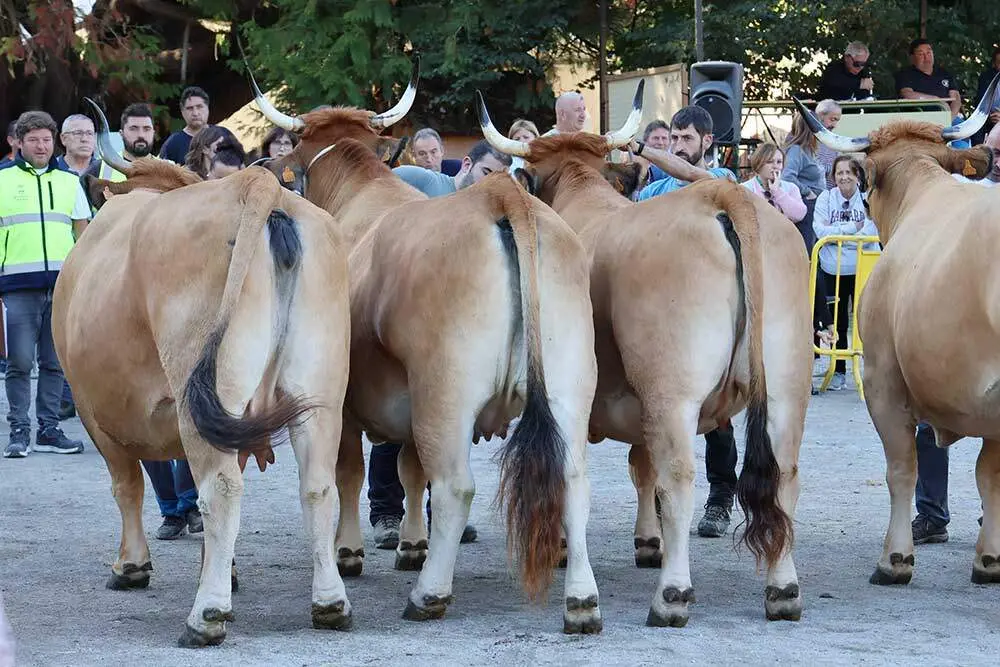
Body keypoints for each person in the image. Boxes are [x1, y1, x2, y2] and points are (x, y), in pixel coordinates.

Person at [365, 140, 514, 549]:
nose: (491, 184)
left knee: (450, 425)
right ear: (466, 164)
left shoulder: (485, 214)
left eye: (501, 178)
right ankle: (385, 514)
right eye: (486, 174)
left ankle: (442, 513)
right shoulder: (422, 180)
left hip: (453, 321)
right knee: (393, 425)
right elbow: (381, 200)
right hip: (404, 311)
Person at [628, 106, 740, 538]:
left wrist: (642, 149)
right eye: (673, 138)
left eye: (687, 139)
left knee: (719, 412)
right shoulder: (651, 193)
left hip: (712, 312)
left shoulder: (723, 184)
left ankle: (719, 497)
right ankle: (658, 499)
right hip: (658, 313)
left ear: (708, 143)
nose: (677, 146)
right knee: (656, 409)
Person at [0, 111, 90, 458]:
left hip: (63, 289)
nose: (41, 146)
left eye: (46, 140)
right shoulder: (3, 179)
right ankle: (19, 431)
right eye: (33, 140)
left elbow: (82, 233)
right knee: (20, 363)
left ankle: (49, 431)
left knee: (55, 364)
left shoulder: (69, 181)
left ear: (55, 143)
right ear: (19, 143)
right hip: (16, 288)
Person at [812, 155, 878, 391]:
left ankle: (872, 372)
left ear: (857, 175)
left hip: (863, 268)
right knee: (837, 322)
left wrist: (838, 237)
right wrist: (852, 231)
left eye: (849, 172)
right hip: (833, 268)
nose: (844, 177)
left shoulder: (867, 198)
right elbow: (820, 230)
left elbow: (873, 228)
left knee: (868, 321)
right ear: (833, 176)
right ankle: (838, 371)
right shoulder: (826, 198)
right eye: (839, 172)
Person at [895, 39, 962, 118]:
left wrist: (950, 117)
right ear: (912, 58)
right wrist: (936, 101)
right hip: (920, 118)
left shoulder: (944, 73)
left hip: (949, 117)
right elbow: (907, 94)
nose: (926, 57)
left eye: (928, 53)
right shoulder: (906, 74)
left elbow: (956, 98)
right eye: (921, 54)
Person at [741, 142, 806, 222]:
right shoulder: (744, 189)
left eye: (779, 162)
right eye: (769, 162)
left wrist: (778, 192)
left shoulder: (791, 187)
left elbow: (799, 215)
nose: (775, 166)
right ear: (758, 163)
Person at [159, 86, 210, 164]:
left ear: (207, 108)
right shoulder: (173, 144)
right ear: (182, 111)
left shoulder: (222, 137)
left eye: (199, 107)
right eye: (190, 108)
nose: (195, 113)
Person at [814, 99, 843, 189]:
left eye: (837, 121)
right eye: (832, 119)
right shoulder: (807, 140)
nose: (834, 125)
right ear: (820, 116)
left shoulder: (833, 143)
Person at [973, 47, 1000, 145]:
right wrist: (988, 116)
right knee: (976, 128)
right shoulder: (987, 78)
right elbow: (980, 104)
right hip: (990, 118)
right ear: (994, 64)